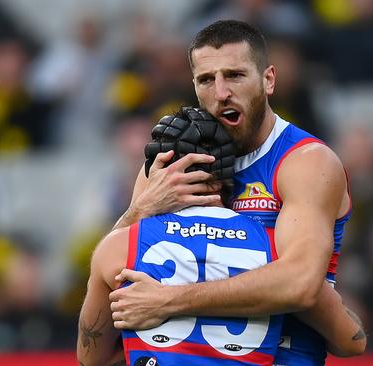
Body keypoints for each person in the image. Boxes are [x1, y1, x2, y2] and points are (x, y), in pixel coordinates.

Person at [108, 20, 359, 365]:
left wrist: (169, 300)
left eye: (235, 76)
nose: (221, 92)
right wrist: (141, 211)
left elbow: (299, 284)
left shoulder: (306, 162)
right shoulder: (170, 161)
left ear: (268, 80)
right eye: (207, 80)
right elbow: (114, 281)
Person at [78, 108, 364, 365]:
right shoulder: (275, 252)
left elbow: (91, 358)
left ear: (154, 175)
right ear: (230, 177)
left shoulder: (119, 248)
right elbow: (352, 340)